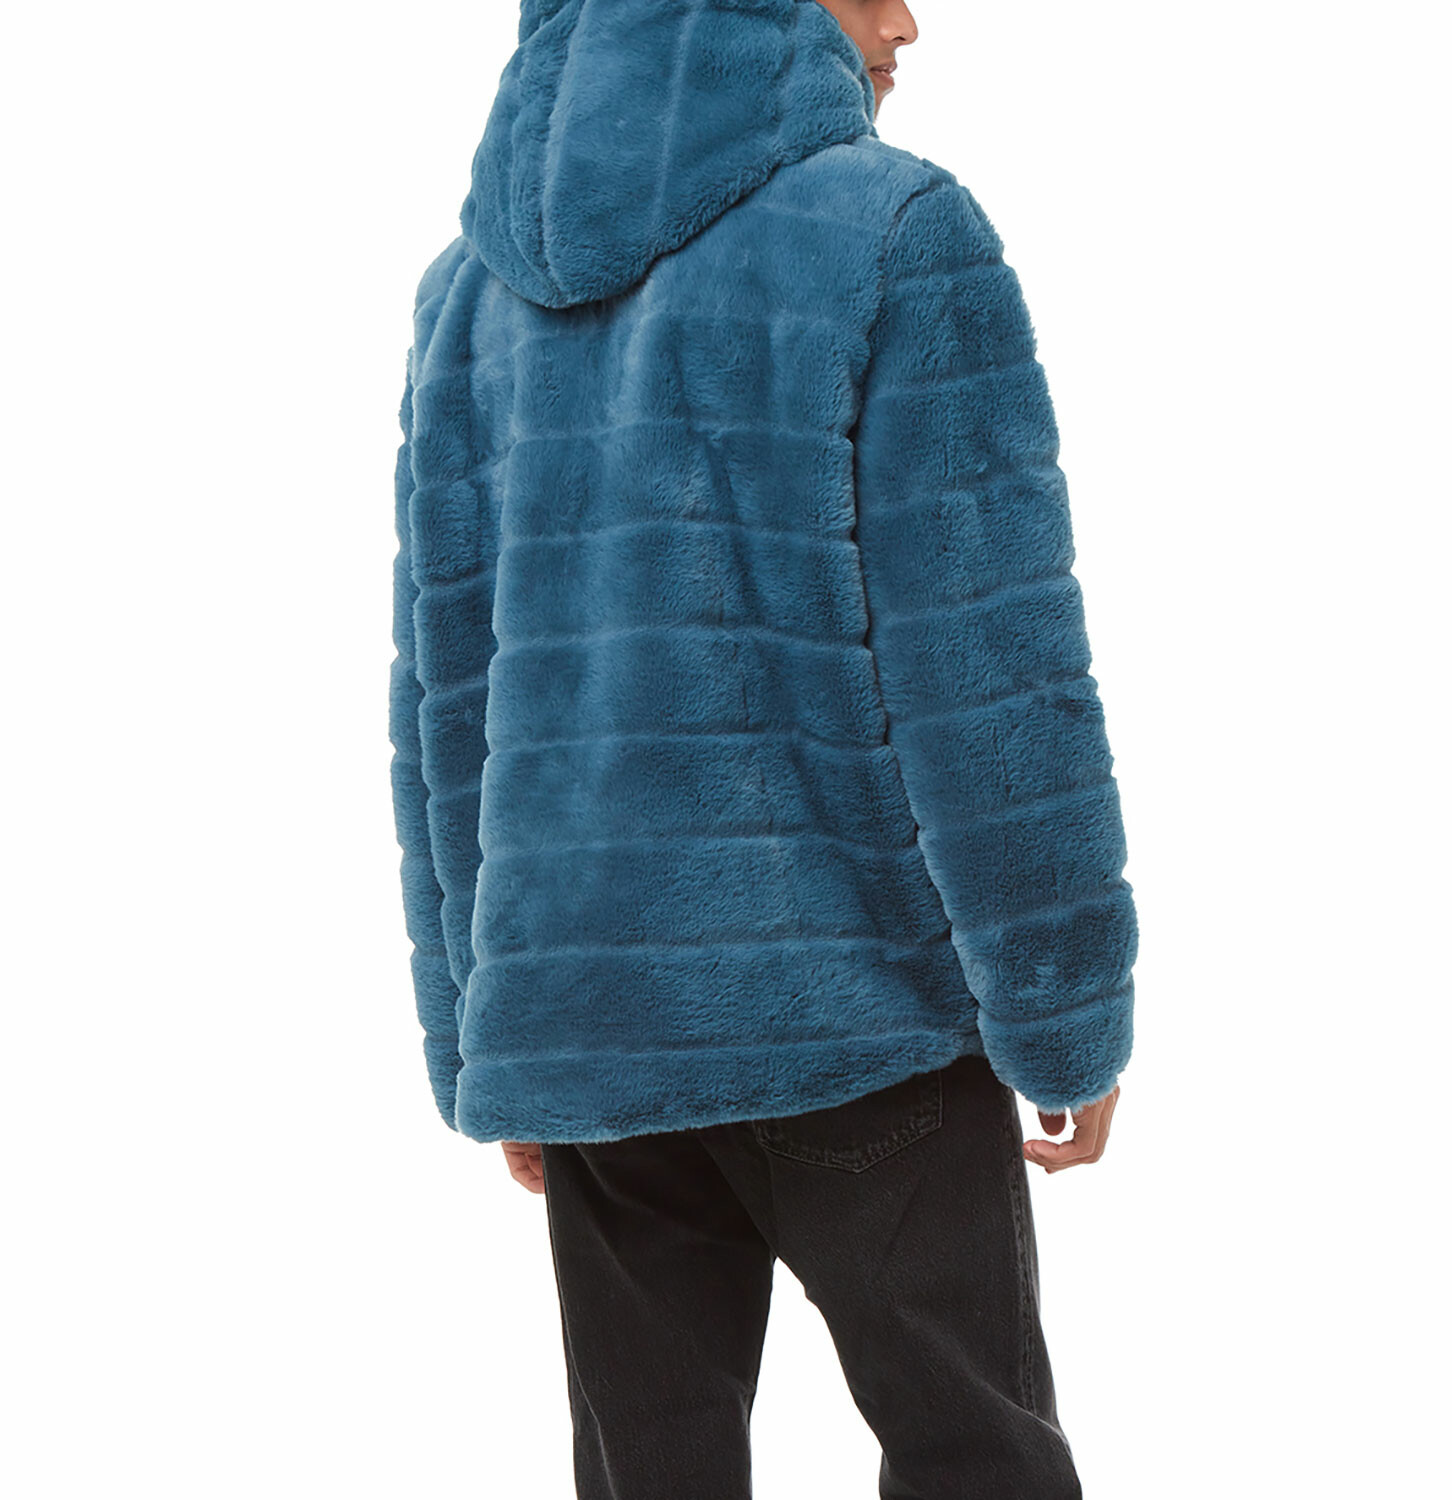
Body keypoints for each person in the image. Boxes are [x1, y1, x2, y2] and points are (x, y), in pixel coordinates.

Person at [389, 1, 1138, 1493]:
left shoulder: (467, 296)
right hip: (862, 1018)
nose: (906, 19)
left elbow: (449, 704)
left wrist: (494, 1032)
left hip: (588, 1023)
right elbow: (990, 670)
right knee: (978, 1465)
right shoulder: (897, 234)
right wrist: (1064, 1006)